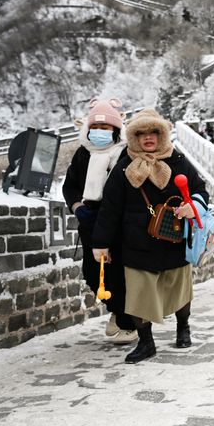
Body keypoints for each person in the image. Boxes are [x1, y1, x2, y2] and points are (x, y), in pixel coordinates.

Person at [92, 108, 209, 364]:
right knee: (139, 294)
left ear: (162, 134)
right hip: (136, 243)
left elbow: (200, 190)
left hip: (173, 239)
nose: (148, 138)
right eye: (141, 133)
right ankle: (146, 342)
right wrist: (101, 243)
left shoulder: (178, 161)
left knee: (179, 289)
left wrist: (195, 206)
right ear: (133, 137)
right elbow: (109, 208)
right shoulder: (124, 168)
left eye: (153, 132)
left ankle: (183, 327)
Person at [62, 97, 136, 344]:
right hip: (90, 221)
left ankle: (127, 322)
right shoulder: (83, 154)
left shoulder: (126, 153)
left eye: (106, 128)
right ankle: (118, 311)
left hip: (119, 222)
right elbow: (70, 185)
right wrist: (77, 207)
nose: (100, 132)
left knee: (120, 272)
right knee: (93, 274)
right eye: (96, 127)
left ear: (116, 130)